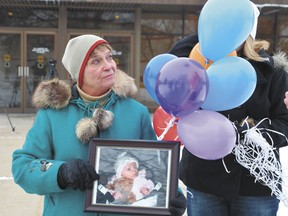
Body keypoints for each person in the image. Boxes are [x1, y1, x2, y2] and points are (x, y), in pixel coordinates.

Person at [12, 34, 186, 216]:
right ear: (79, 71)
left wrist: (172, 195)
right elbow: (23, 167)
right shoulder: (51, 115)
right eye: (96, 61)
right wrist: (61, 172)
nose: (109, 66)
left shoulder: (137, 113)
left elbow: (156, 164)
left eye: (109, 57)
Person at [169, 6, 288, 216]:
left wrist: (245, 134)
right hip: (203, 180)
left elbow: (284, 124)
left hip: (256, 185)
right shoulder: (198, 60)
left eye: (234, 27)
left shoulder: (274, 72)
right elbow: (172, 64)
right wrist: (210, 31)